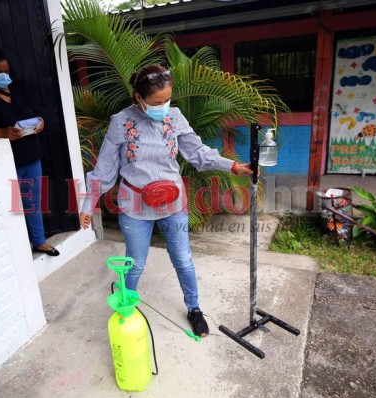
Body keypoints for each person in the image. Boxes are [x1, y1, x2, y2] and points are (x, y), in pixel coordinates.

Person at [79, 64, 254, 337]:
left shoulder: (175, 117)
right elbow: (104, 170)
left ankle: (194, 309)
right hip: (135, 205)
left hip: (172, 204)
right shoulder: (121, 122)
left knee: (183, 259)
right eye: (156, 102)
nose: (163, 107)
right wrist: (88, 205)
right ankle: (127, 308)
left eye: (167, 100)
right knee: (135, 263)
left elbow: (197, 152)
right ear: (139, 98)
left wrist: (231, 166)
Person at [0, 48, 59, 257]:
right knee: (10, 205)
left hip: (31, 155)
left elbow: (38, 113)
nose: (4, 76)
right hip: (7, 161)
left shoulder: (18, 92)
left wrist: (40, 123)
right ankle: (14, 249)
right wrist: (1, 132)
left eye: (6, 71)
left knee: (33, 203)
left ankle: (39, 241)